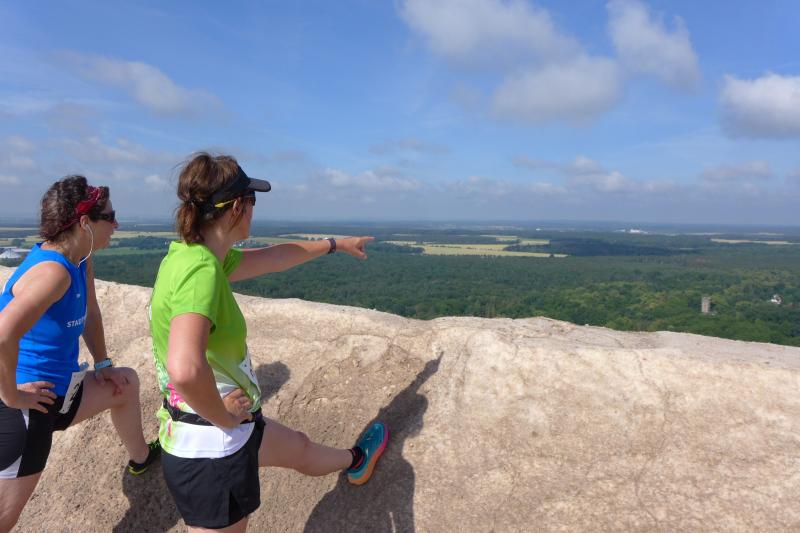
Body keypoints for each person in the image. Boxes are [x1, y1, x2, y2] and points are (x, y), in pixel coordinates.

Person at [149, 153, 388, 532]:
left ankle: (355, 459)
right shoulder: (201, 273)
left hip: (227, 429)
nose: (253, 210)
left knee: (299, 447)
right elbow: (184, 367)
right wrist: (221, 415)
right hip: (211, 448)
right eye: (252, 201)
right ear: (236, 208)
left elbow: (274, 257)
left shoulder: (193, 257)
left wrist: (335, 244)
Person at [0, 176, 160, 531]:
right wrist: (12, 396)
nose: (116, 224)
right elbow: (2, 334)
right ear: (84, 223)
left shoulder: (79, 260)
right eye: (110, 216)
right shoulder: (53, 273)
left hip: (59, 394)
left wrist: (103, 364)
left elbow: (91, 313)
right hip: (27, 408)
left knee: (125, 385)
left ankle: (141, 459)